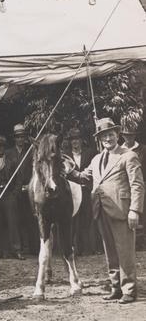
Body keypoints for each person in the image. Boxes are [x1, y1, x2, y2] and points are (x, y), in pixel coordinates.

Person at [67, 118, 145, 304]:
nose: (107, 138)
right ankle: (116, 287)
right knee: (110, 251)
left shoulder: (128, 155)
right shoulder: (96, 158)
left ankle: (130, 290)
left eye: (110, 134)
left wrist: (135, 210)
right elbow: (84, 177)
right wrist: (68, 171)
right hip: (100, 210)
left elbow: (138, 185)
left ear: (117, 135)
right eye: (104, 136)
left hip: (122, 211)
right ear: (99, 139)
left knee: (125, 251)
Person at [0, 135, 24, 260]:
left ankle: (16, 250)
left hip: (8, 195)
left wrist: (15, 194)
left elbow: (18, 180)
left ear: (4, 148)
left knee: (12, 222)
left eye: (1, 146)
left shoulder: (12, 162)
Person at [65, 127, 98, 255]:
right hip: (73, 191)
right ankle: (75, 248)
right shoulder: (65, 155)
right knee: (74, 219)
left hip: (87, 190)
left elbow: (94, 170)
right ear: (70, 142)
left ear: (81, 140)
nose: (75, 142)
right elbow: (65, 173)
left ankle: (89, 248)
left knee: (87, 218)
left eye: (77, 139)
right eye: (72, 140)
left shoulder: (91, 153)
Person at [7, 123, 38, 255]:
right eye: (17, 137)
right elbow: (8, 173)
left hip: (29, 188)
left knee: (31, 219)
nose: (20, 139)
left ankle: (33, 248)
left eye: (22, 137)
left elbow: (35, 169)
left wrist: (30, 184)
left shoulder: (30, 150)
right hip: (15, 190)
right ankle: (19, 249)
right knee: (16, 219)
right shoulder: (9, 153)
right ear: (14, 138)